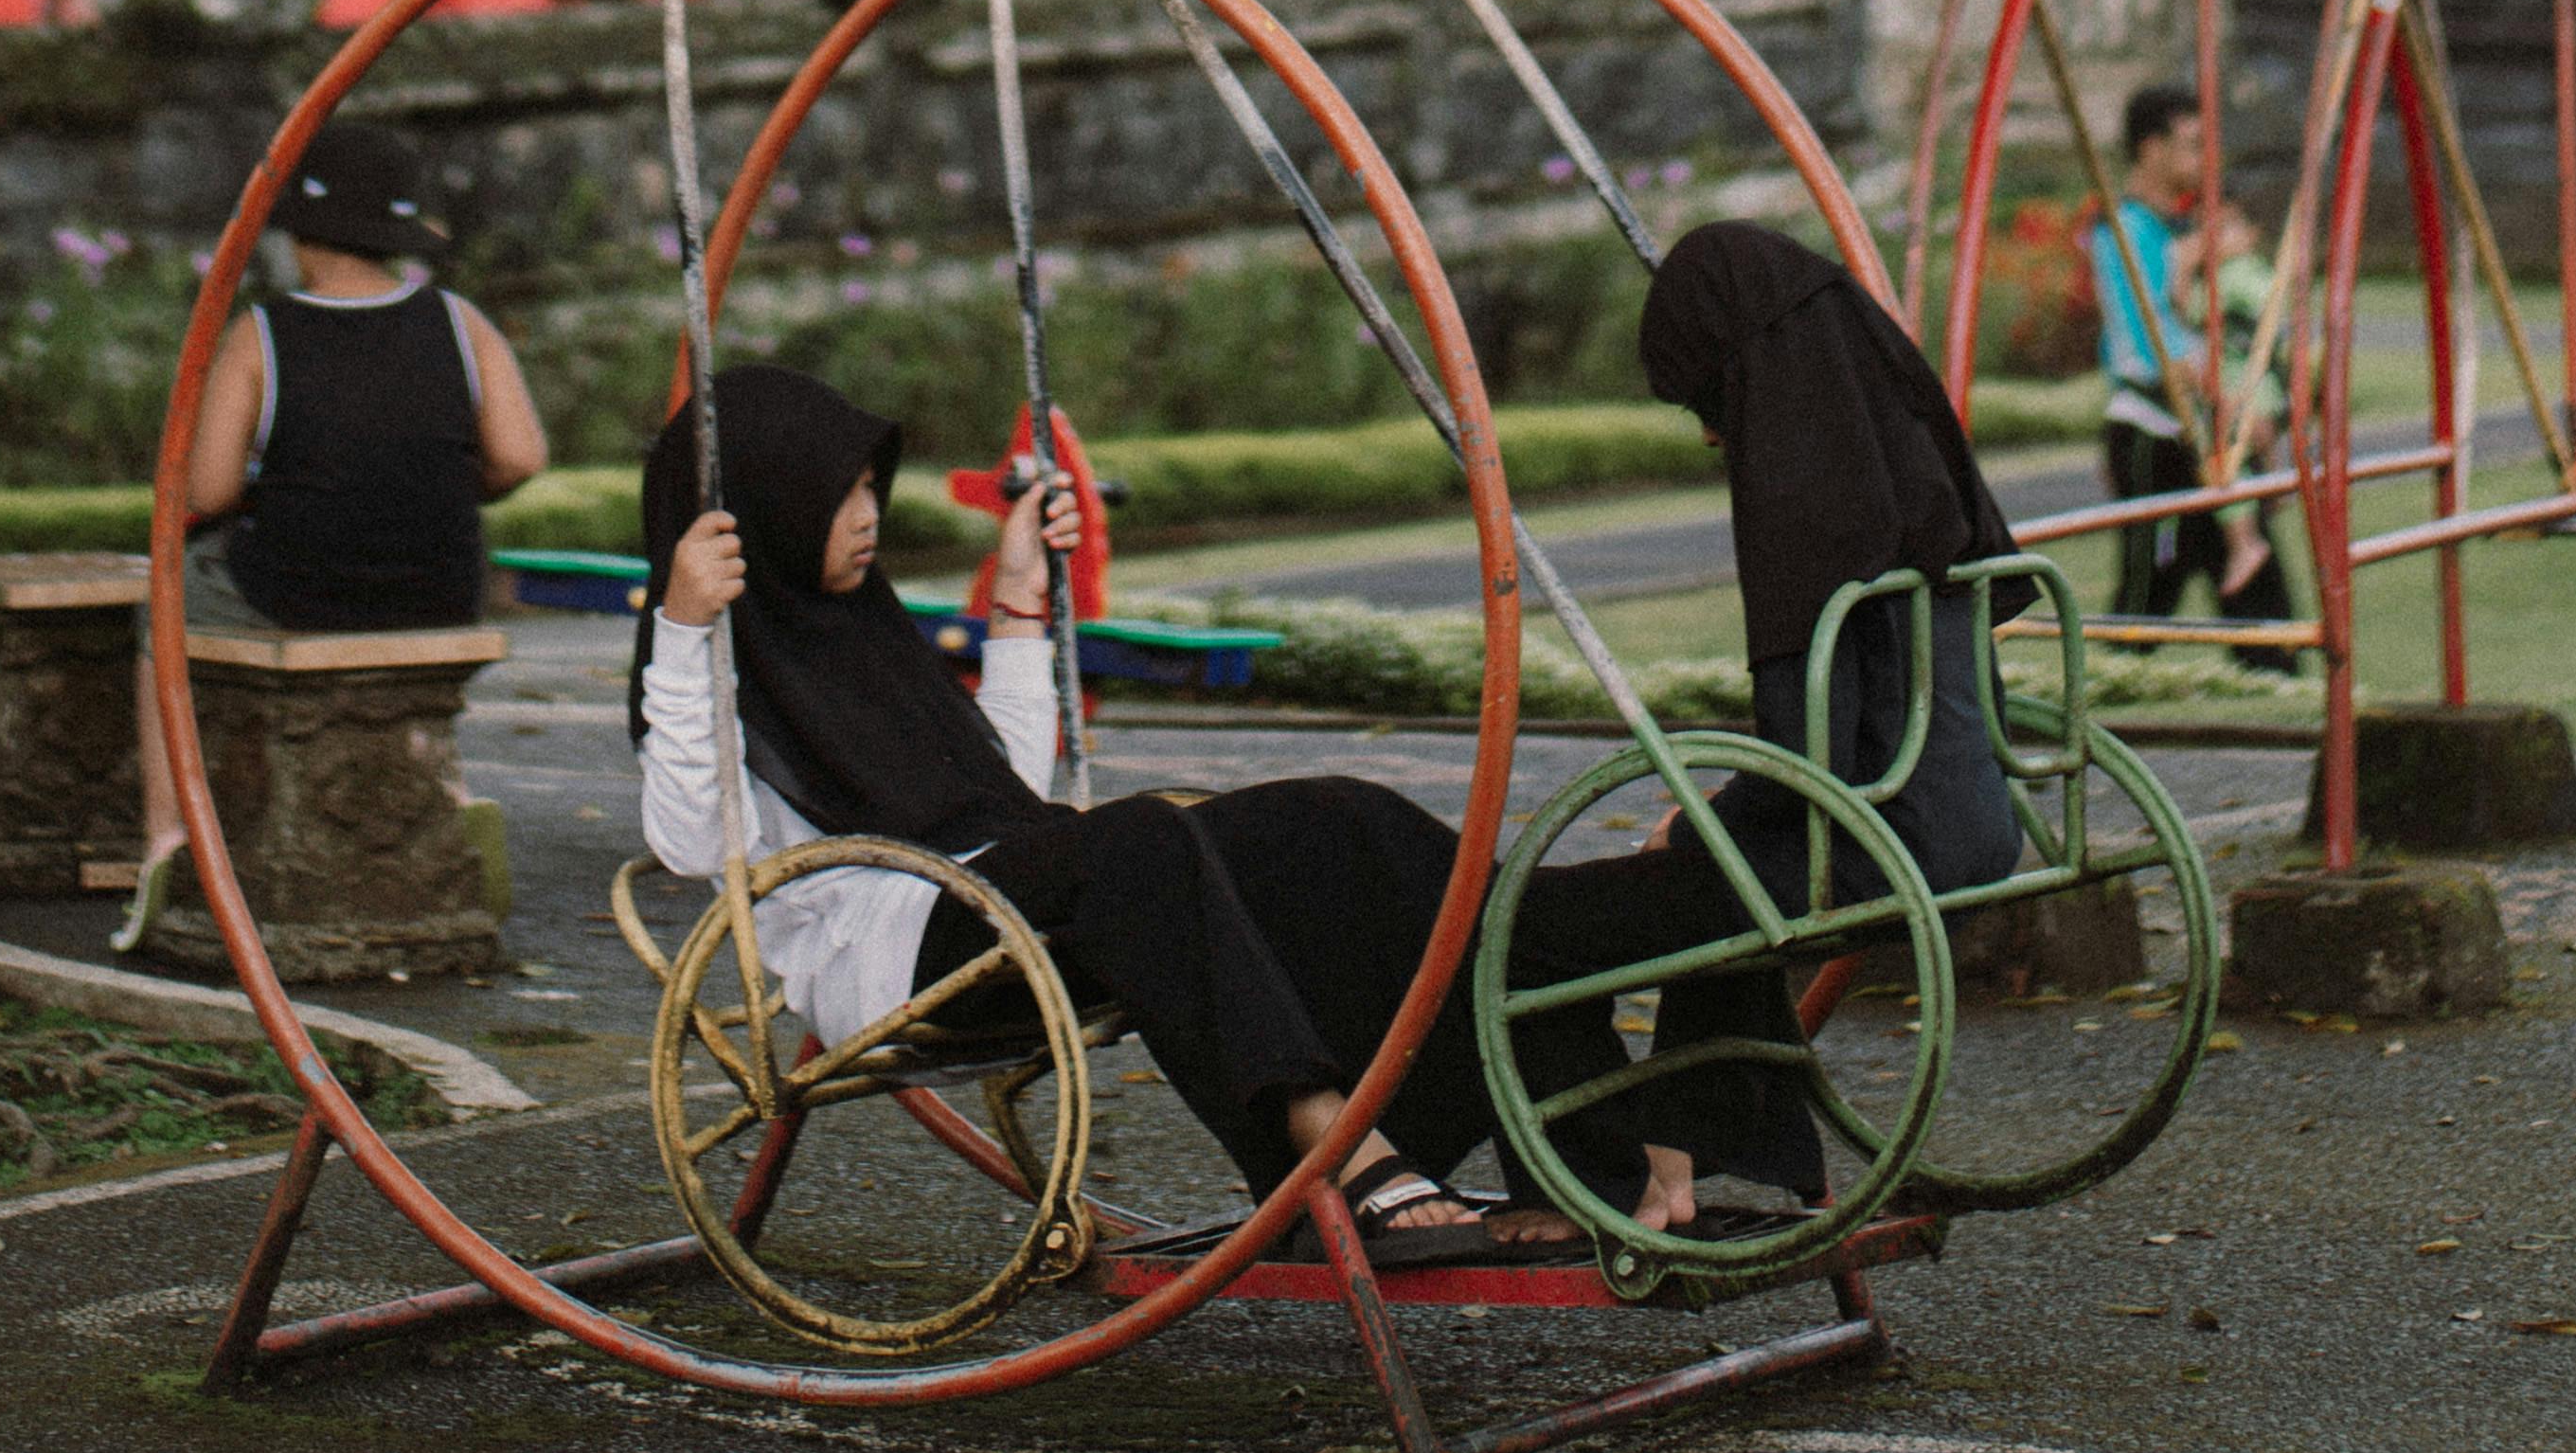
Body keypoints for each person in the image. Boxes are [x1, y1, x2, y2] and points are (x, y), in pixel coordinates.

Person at [636, 358, 1538, 1259]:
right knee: (1139, 840)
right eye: (840, 497)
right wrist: (681, 630)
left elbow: (1001, 796)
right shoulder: (709, 658)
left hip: (1001, 892)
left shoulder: (861, 627)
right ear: (765, 509)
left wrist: (1022, 596)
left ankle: (1504, 1118)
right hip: (888, 948)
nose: (870, 515)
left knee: (1334, 818)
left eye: (872, 488)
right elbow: (690, 845)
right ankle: (1335, 1148)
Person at [1522, 215, 2031, 1234]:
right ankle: (1676, 1166)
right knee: (1720, 891)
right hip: (1975, 830)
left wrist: (1714, 809)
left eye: (1709, 403)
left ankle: (1600, 1185)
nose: (1713, 435)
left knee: (1531, 928)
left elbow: (1805, 766)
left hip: (1883, 848)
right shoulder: (1912, 483)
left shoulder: (1816, 516)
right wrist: (1733, 815)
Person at [116, 116, 548, 946]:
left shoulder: (263, 335)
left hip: (299, 590)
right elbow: (521, 457)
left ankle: (168, 837)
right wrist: (442, 480)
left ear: (298, 234)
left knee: (163, 609)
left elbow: (204, 487)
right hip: (435, 593)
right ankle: (442, 789)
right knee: (433, 572)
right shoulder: (461, 323)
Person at [2093, 81, 2293, 629]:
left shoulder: (2190, 228)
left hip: (2208, 426)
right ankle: (2124, 680)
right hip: (2158, 430)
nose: (2206, 157)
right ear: (2152, 149)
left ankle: (2275, 671)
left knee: (2257, 580)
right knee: (2148, 590)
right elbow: (2152, 344)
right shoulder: (2125, 233)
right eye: (2192, 143)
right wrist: (2228, 399)